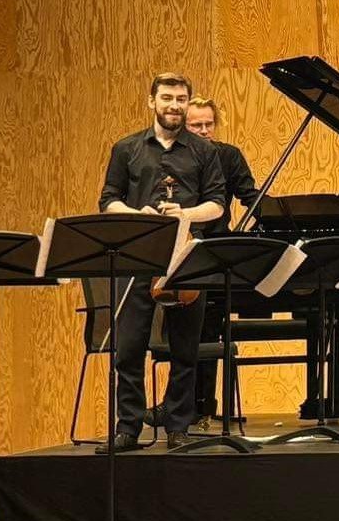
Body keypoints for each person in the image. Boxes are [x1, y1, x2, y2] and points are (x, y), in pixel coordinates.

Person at [96, 72, 228, 451]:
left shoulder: (204, 151)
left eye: (181, 99)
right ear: (151, 101)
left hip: (186, 256)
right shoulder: (127, 148)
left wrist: (184, 214)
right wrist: (139, 215)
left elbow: (217, 204)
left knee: (185, 349)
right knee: (129, 347)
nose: (174, 105)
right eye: (167, 98)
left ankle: (178, 427)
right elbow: (108, 200)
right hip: (138, 254)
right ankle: (128, 428)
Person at [182, 97, 261, 424]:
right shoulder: (170, 158)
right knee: (178, 328)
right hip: (178, 250)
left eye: (208, 124)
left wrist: (281, 214)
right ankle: (181, 403)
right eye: (195, 125)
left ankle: (200, 405)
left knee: (209, 325)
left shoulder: (227, 156)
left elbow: (250, 196)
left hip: (214, 250)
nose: (204, 131)